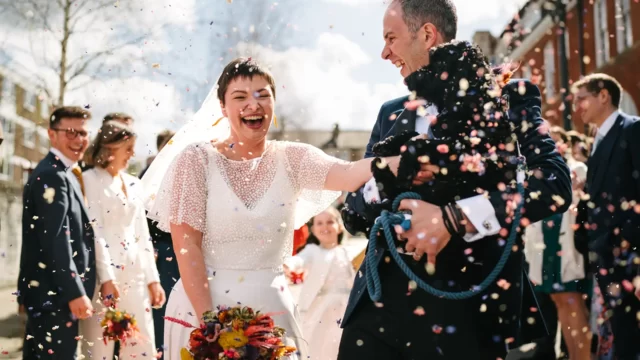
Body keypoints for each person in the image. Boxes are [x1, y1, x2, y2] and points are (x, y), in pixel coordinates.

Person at [337, 1, 572, 359]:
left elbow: (553, 184)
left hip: (467, 307)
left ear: (427, 34)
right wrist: (390, 182)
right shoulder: (391, 113)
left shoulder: (507, 96)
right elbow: (353, 207)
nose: (384, 52)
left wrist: (453, 218)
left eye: (391, 38)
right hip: (378, 307)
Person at [141, 57, 402, 360]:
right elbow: (187, 246)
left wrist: (408, 158)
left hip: (272, 316)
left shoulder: (292, 158)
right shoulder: (196, 159)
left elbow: (349, 173)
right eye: (240, 97)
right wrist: (210, 327)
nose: (253, 104)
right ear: (223, 107)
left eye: (262, 95)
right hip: (203, 315)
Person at [18, 106, 118, 359]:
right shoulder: (52, 175)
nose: (79, 140)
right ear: (52, 134)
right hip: (54, 296)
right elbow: (55, 241)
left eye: (83, 133)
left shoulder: (67, 173)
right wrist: (74, 293)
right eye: (70, 132)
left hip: (54, 295)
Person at [78, 121, 165, 359]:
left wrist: (153, 280)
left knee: (142, 348)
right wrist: (107, 278)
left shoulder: (135, 183)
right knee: (99, 351)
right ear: (109, 148)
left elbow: (142, 235)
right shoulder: (88, 180)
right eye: (127, 148)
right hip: (103, 280)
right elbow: (94, 232)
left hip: (136, 278)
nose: (132, 154)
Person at [573, 73, 640, 359]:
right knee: (622, 329)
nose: (577, 107)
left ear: (604, 96)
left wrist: (630, 242)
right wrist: (584, 236)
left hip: (630, 259)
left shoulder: (633, 129)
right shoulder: (597, 138)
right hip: (604, 259)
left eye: (582, 98)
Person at [524, 126, 591, 360]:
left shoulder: (576, 168)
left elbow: (582, 202)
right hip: (545, 243)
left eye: (555, 141)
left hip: (568, 242)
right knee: (559, 302)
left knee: (572, 302)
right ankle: (573, 356)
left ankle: (583, 356)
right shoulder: (536, 173)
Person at [284, 207, 354, 360]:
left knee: (341, 345)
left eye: (330, 222)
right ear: (313, 229)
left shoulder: (348, 252)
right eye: (319, 223)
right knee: (318, 345)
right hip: (320, 310)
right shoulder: (312, 251)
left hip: (345, 309)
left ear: (340, 226)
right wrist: (288, 265)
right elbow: (299, 260)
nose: (325, 227)